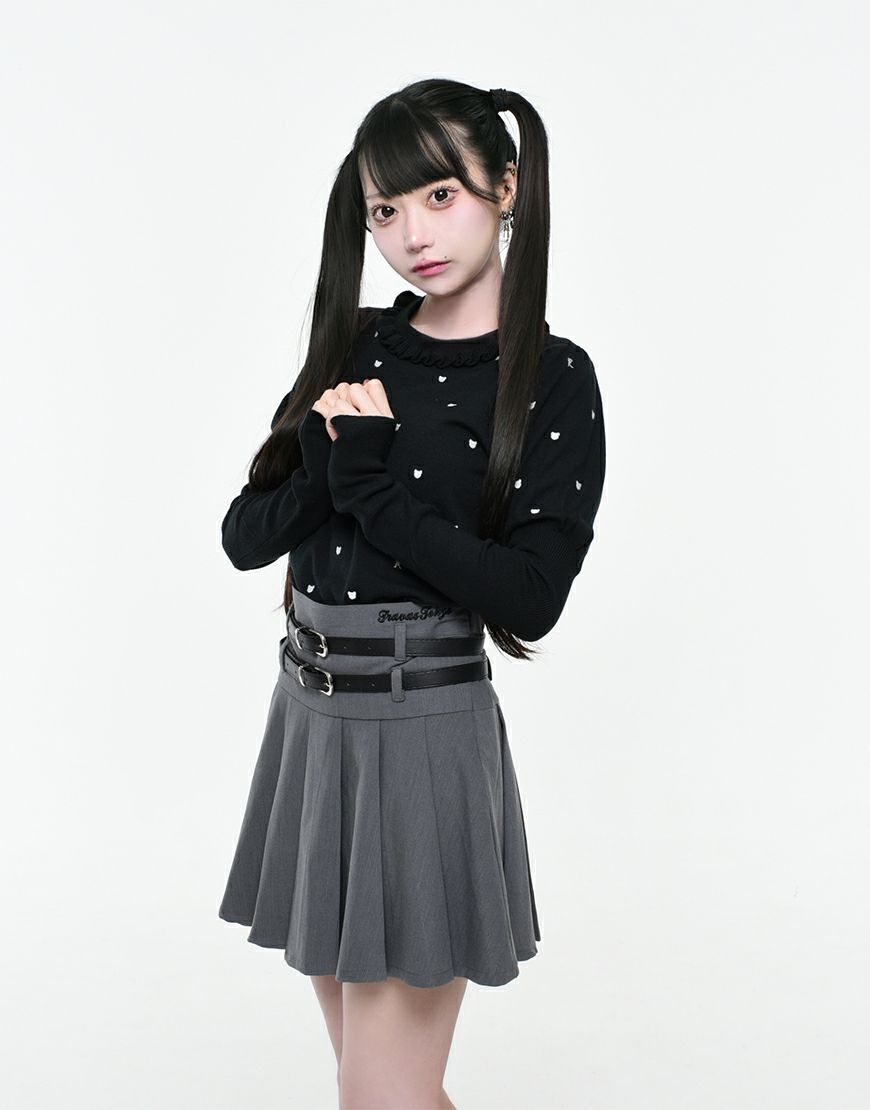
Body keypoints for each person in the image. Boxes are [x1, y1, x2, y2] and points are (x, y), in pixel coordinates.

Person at [217, 78, 606, 1109]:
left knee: (378, 1095)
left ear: (506, 187)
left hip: (422, 732)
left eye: (440, 196)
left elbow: (531, 595)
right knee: (381, 1090)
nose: (411, 235)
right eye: (384, 210)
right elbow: (245, 537)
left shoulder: (553, 378)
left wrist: (376, 493)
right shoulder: (356, 344)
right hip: (311, 724)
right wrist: (327, 467)